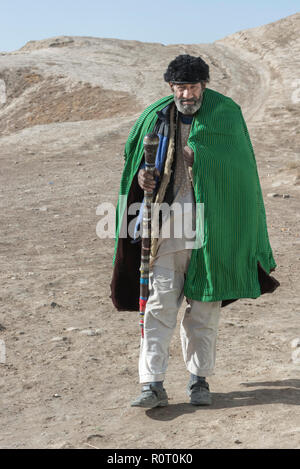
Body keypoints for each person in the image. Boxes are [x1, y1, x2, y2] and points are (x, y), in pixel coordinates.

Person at [110, 54, 279, 408]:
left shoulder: (225, 113)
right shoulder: (155, 116)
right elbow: (134, 164)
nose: (187, 94)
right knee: (159, 303)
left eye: (193, 86)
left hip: (212, 226)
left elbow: (241, 169)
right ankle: (151, 383)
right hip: (168, 225)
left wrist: (200, 157)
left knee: (204, 307)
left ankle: (198, 379)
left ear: (204, 85)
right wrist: (144, 179)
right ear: (171, 87)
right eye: (180, 87)